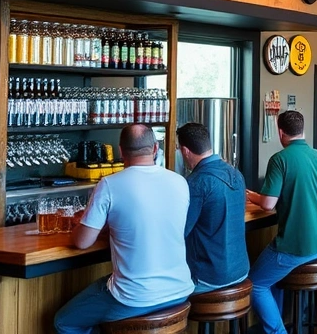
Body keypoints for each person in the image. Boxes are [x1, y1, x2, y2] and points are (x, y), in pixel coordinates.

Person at [54, 125, 193, 334]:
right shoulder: (180, 182)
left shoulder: (110, 184)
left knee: (64, 322)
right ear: (155, 148)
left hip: (134, 297)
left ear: (121, 151)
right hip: (180, 290)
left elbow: (82, 242)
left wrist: (79, 223)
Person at [246, 111, 317, 334]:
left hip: (298, 245)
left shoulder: (280, 159)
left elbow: (267, 204)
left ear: (280, 132)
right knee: (271, 277)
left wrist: (250, 195)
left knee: (256, 284)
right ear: (303, 130)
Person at [177, 122, 249, 294]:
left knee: (157, 294)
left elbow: (179, 232)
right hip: (241, 270)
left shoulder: (196, 183)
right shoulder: (236, 174)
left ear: (186, 151)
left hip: (209, 277)